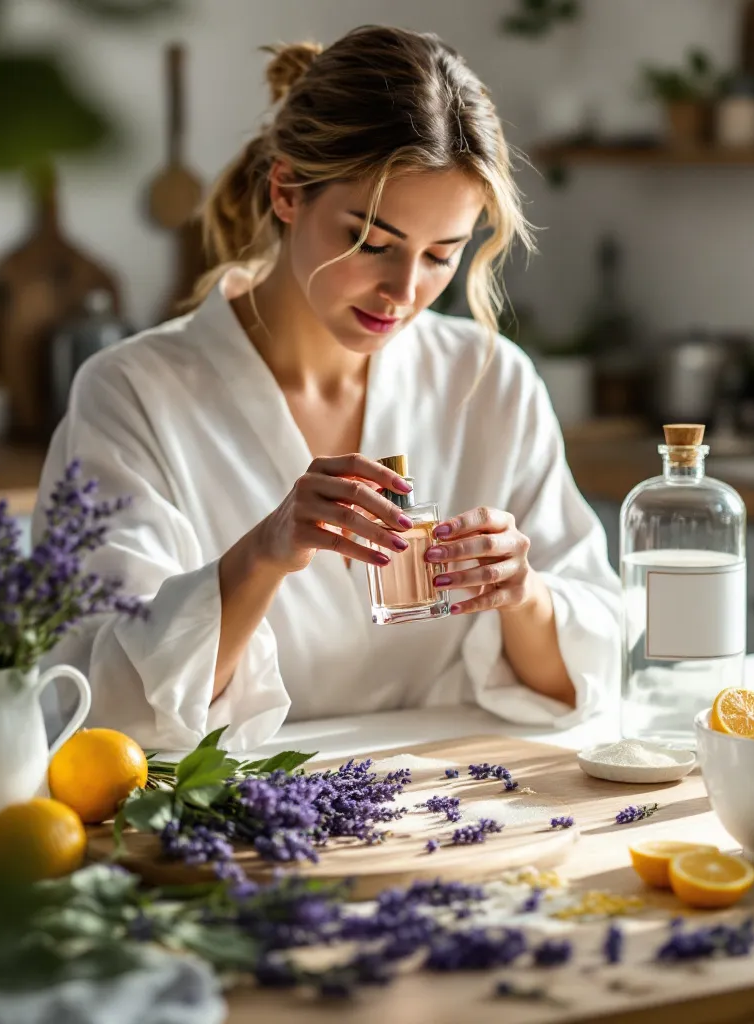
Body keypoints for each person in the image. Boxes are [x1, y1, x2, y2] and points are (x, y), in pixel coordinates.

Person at [33, 25, 620, 751]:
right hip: (229, 826)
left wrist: (521, 594)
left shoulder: (489, 382)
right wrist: (264, 553)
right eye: (371, 241)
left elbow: (589, 675)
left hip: (454, 806)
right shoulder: (132, 394)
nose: (405, 291)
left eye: (442, 255)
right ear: (286, 191)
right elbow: (96, 701)